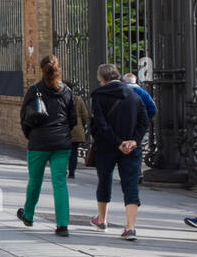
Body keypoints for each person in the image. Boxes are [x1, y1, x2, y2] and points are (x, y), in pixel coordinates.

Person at [17, 54, 77, 238]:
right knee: (60, 183)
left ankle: (28, 215)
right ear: (58, 69)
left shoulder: (34, 90)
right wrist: (64, 133)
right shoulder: (66, 91)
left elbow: (24, 118)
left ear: (41, 70)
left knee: (35, 180)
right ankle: (62, 225)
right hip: (61, 143)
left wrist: (31, 136)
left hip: (39, 142)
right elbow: (73, 119)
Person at [90, 63, 149, 241]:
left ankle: (102, 220)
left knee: (104, 180)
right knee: (131, 185)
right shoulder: (134, 95)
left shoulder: (99, 96)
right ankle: (130, 227)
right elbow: (144, 121)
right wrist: (134, 141)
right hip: (131, 148)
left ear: (102, 79)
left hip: (107, 146)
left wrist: (117, 143)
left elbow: (100, 123)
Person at [67, 91, 90, 181]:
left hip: (62, 128)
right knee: (73, 152)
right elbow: (85, 115)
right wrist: (82, 124)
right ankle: (72, 172)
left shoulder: (59, 97)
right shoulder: (78, 99)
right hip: (76, 128)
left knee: (62, 152)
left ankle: (63, 170)